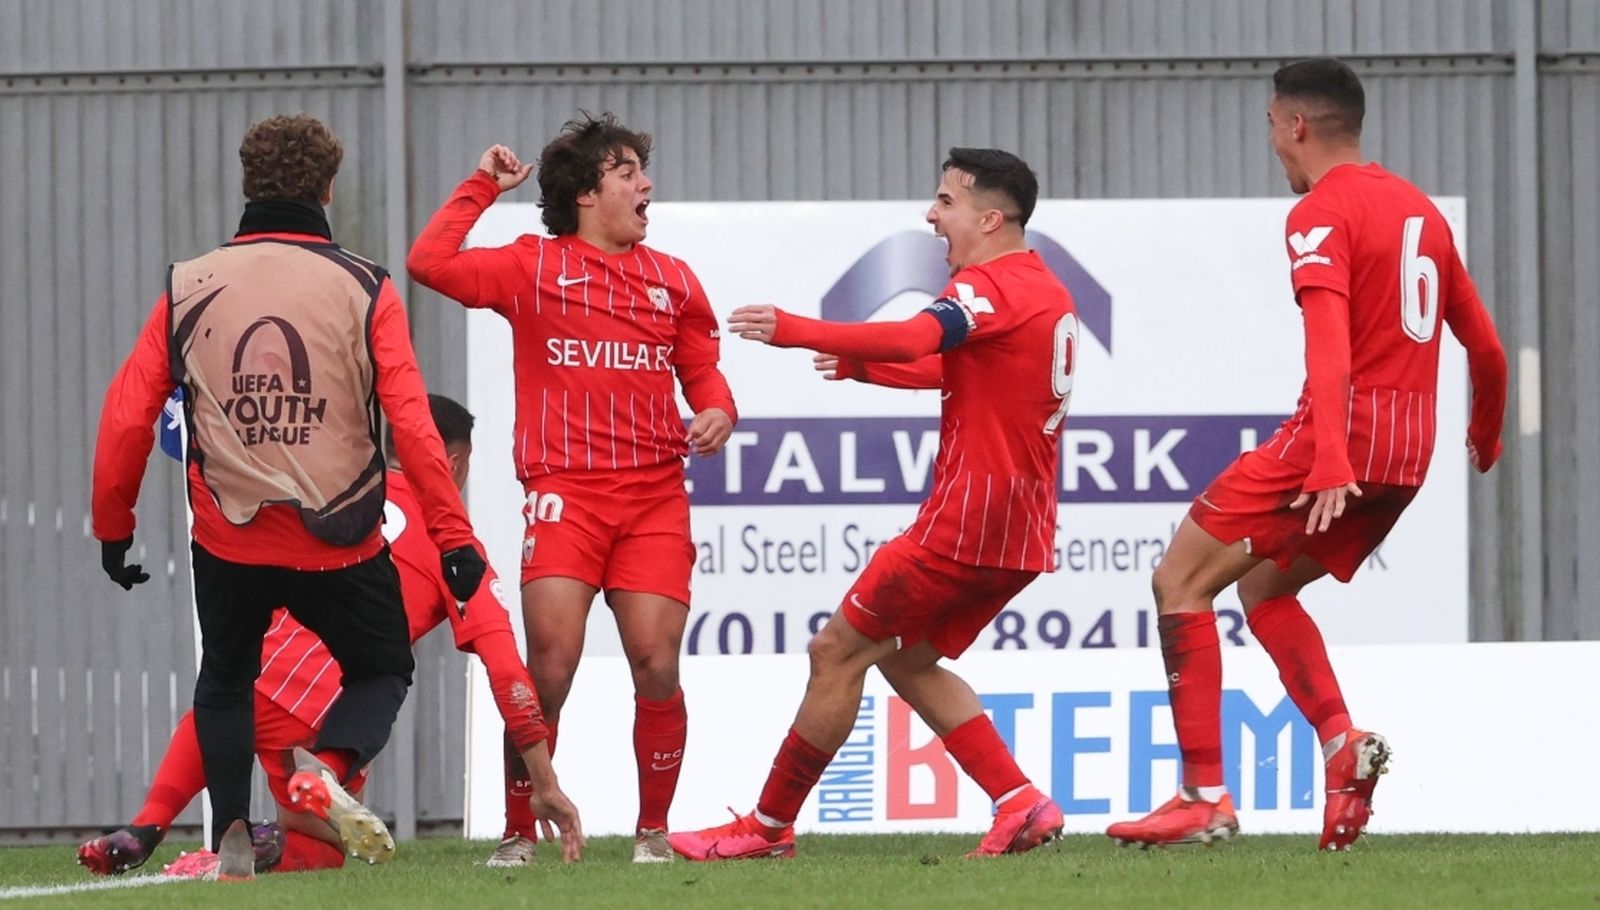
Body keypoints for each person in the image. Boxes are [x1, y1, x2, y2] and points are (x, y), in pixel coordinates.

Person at [1105, 58, 1509, 851]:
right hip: (1406, 456)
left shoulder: (1320, 213)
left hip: (1339, 442)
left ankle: (1203, 797)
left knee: (1177, 580)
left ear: (1296, 125)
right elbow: (1486, 346)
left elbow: (1327, 343)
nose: (1273, 144)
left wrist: (1327, 457)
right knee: (1262, 589)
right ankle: (1340, 748)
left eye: (1270, 126)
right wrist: (1486, 429)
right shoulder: (1419, 210)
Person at [91, 114, 492, 880]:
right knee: (382, 669)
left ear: (248, 185)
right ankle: (331, 766)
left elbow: (127, 414)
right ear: (328, 188)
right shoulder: (365, 284)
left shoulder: (187, 284)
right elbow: (411, 420)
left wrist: (115, 529)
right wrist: (454, 539)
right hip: (337, 542)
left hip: (229, 539)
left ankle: (235, 830)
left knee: (226, 678)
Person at [666, 148, 1074, 862]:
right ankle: (1020, 801)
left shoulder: (990, 286)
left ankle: (766, 828)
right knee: (906, 657)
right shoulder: (1042, 288)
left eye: (945, 201)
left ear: (989, 216)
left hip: (966, 522)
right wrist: (865, 370)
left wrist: (798, 329)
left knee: (836, 652)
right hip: (1022, 527)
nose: (930, 213)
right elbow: (965, 371)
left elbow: (920, 335)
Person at [407, 113, 737, 864]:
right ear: (588, 194)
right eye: (627, 173)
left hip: (654, 494)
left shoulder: (675, 280)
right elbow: (429, 261)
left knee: (656, 661)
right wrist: (482, 187)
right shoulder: (531, 266)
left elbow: (703, 370)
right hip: (566, 493)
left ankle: (652, 833)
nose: (645, 185)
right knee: (548, 669)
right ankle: (518, 832)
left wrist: (718, 408)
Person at [78, 394, 584, 877]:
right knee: (323, 850)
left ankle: (146, 826)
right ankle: (286, 822)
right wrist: (544, 779)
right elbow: (503, 667)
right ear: (451, 464)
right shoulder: (454, 543)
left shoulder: (331, 489)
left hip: (259, 666)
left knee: (221, 698)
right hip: (328, 712)